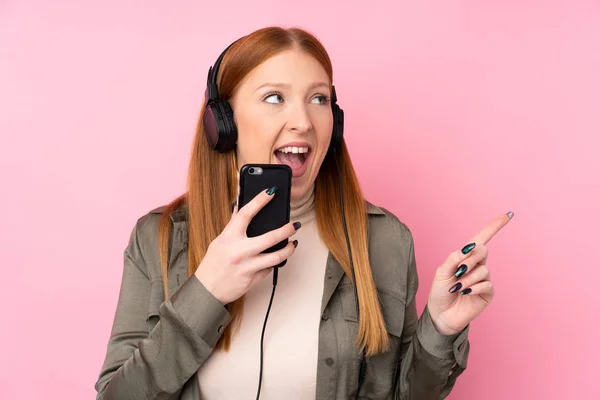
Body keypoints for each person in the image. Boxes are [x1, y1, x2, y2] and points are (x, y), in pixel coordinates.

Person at [95, 26, 512, 400]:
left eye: (319, 99)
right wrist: (208, 290)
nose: (303, 121)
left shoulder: (384, 241)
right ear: (223, 123)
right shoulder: (159, 237)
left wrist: (440, 328)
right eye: (275, 98)